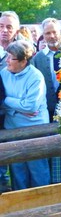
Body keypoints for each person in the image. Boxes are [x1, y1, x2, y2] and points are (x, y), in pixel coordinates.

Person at [32, 17, 61, 184]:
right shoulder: (38, 58)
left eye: (54, 32)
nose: (51, 36)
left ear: (60, 32)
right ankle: (56, 183)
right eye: (47, 33)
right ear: (42, 36)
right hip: (49, 111)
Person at [0, 40, 50, 190]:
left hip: (36, 131)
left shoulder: (36, 77)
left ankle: (43, 205)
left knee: (38, 171)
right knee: (17, 171)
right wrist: (18, 108)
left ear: (24, 61)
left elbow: (31, 106)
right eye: (7, 55)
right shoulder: (3, 73)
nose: (7, 60)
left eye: (11, 57)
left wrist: (6, 101)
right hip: (13, 130)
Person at [0, 10, 21, 192]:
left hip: (19, 119)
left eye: (9, 27)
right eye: (1, 26)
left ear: (16, 30)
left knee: (18, 163)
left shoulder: (26, 52)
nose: (4, 30)